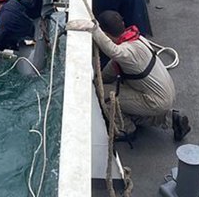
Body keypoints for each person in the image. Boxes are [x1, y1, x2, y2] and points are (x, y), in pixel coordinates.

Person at [66, 11, 191, 142]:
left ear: (106, 35)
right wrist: (98, 79)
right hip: (165, 93)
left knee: (106, 95)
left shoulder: (125, 53)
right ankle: (172, 119)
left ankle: (125, 129)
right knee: (121, 100)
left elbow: (112, 50)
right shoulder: (138, 39)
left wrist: (95, 31)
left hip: (156, 100)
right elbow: (110, 70)